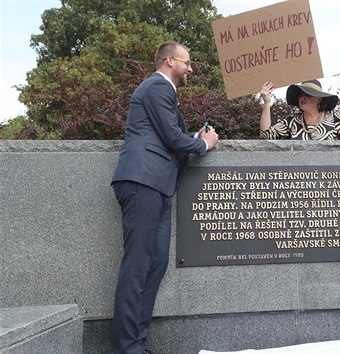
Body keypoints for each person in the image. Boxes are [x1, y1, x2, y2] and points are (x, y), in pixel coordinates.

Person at [110, 41, 218, 354]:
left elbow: (171, 137)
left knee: (154, 266)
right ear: (170, 61)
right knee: (138, 266)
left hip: (157, 186)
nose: (191, 69)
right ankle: (126, 349)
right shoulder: (157, 86)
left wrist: (194, 138)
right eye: (188, 62)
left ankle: (136, 345)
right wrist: (204, 145)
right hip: (142, 182)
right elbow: (172, 137)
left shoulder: (163, 93)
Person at [259, 79, 340, 140]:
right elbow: (265, 136)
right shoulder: (292, 121)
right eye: (301, 95)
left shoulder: (333, 119)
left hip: (327, 173)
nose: (303, 97)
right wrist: (267, 102)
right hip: (300, 173)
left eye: (307, 94)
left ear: (319, 99)